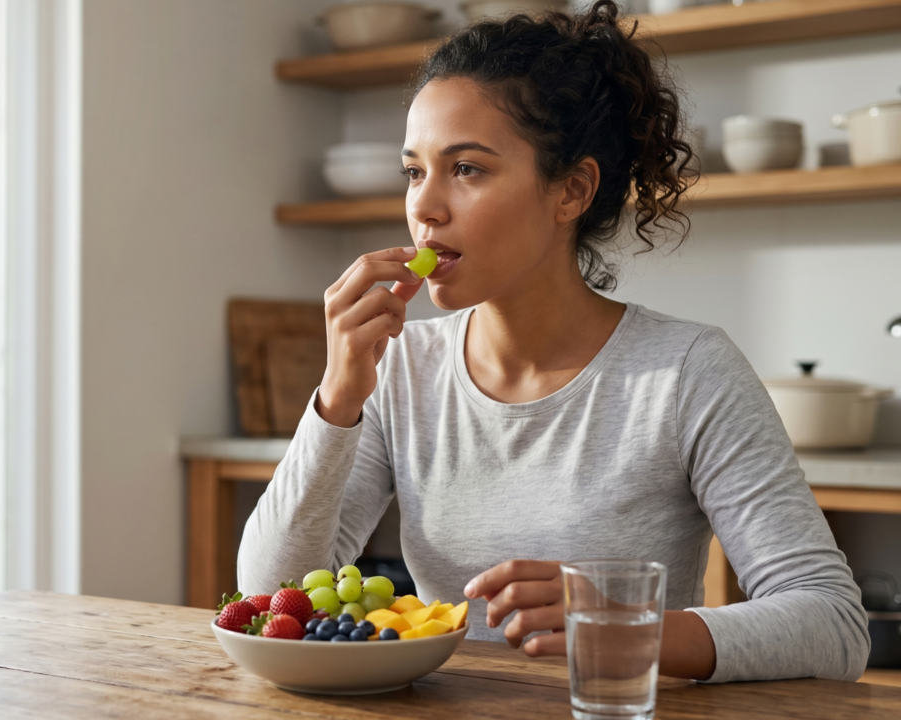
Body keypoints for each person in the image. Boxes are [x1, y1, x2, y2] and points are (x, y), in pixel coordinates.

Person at [237, 0, 867, 682]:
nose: (424, 206)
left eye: (467, 169)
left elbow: (831, 624)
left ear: (570, 191)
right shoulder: (402, 368)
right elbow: (270, 598)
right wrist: (337, 401)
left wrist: (620, 625)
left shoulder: (687, 372)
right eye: (414, 172)